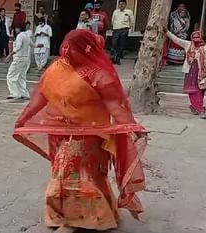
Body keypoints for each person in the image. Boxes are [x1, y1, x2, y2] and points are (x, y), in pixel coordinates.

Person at [13, 29, 148, 233]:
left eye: (72, 47)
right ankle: (96, 216)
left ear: (85, 49)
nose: (66, 50)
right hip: (59, 132)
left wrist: (132, 126)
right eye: (65, 45)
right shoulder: (57, 68)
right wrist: (23, 117)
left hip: (90, 135)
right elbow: (41, 96)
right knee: (81, 175)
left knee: (69, 173)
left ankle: (72, 221)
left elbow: (115, 105)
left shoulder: (99, 74)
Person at [164, 28, 206, 119]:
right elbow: (176, 39)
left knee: (201, 90)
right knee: (193, 91)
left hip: (202, 72)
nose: (195, 40)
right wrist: (167, 32)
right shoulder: (188, 44)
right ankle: (201, 109)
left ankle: (194, 106)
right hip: (190, 72)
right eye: (194, 38)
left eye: (197, 38)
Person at [5, 23, 32, 101]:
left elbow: (18, 47)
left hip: (19, 59)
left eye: (16, 28)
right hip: (26, 59)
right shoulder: (27, 36)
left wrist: (9, 56)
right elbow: (32, 44)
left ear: (19, 28)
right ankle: (24, 94)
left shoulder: (20, 36)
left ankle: (15, 93)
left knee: (10, 76)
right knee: (21, 77)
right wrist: (38, 45)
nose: (15, 30)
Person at [111, 0, 134, 65]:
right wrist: (115, 27)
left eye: (123, 4)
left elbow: (131, 21)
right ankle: (114, 57)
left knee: (121, 44)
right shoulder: (115, 12)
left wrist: (128, 28)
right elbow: (112, 20)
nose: (121, 5)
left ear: (125, 5)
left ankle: (118, 58)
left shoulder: (129, 12)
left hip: (124, 29)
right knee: (114, 43)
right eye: (120, 4)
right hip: (116, 30)